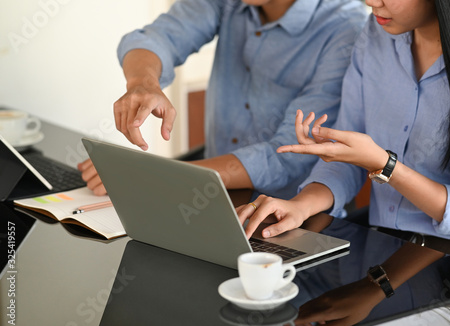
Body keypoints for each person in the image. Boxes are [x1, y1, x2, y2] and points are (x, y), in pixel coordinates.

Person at [237, 0, 450, 326]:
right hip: (375, 255)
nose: (370, 1)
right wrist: (301, 206)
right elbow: (347, 160)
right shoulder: (376, 33)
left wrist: (385, 165)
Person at [77, 0, 368, 200]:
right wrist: (143, 83)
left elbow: (287, 155)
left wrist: (157, 177)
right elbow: (158, 37)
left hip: (297, 220)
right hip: (211, 196)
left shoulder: (347, 28)